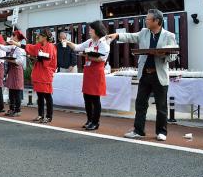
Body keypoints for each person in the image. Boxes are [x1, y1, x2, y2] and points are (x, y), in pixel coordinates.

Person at [108, 9, 177, 141]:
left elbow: (173, 54)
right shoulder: (144, 32)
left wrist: (163, 55)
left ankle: (161, 132)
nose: (146, 21)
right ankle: (138, 130)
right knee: (140, 103)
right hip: (145, 74)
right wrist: (117, 36)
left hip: (159, 74)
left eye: (148, 19)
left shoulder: (169, 35)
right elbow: (131, 36)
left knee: (161, 105)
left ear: (157, 21)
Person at [65, 21, 110, 130]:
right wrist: (68, 42)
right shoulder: (90, 42)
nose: (89, 32)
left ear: (97, 30)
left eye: (91, 30)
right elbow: (77, 47)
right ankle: (89, 120)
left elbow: (101, 58)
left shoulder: (103, 43)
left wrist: (87, 56)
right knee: (87, 98)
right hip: (88, 73)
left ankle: (95, 122)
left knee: (95, 99)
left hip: (97, 73)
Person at [9, 28, 57, 124]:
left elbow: (48, 61)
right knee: (39, 96)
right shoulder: (39, 45)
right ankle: (40, 115)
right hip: (39, 73)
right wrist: (15, 43)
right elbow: (28, 47)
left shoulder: (51, 46)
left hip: (46, 74)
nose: (37, 37)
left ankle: (49, 116)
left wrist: (37, 58)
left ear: (44, 37)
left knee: (47, 96)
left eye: (39, 35)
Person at [0, 30, 26, 117]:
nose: (11, 36)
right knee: (11, 90)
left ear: (16, 38)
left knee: (17, 91)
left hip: (17, 70)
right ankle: (11, 108)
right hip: (12, 70)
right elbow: (4, 48)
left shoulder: (20, 48)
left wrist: (10, 60)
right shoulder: (13, 47)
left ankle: (17, 109)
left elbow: (21, 61)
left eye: (13, 35)